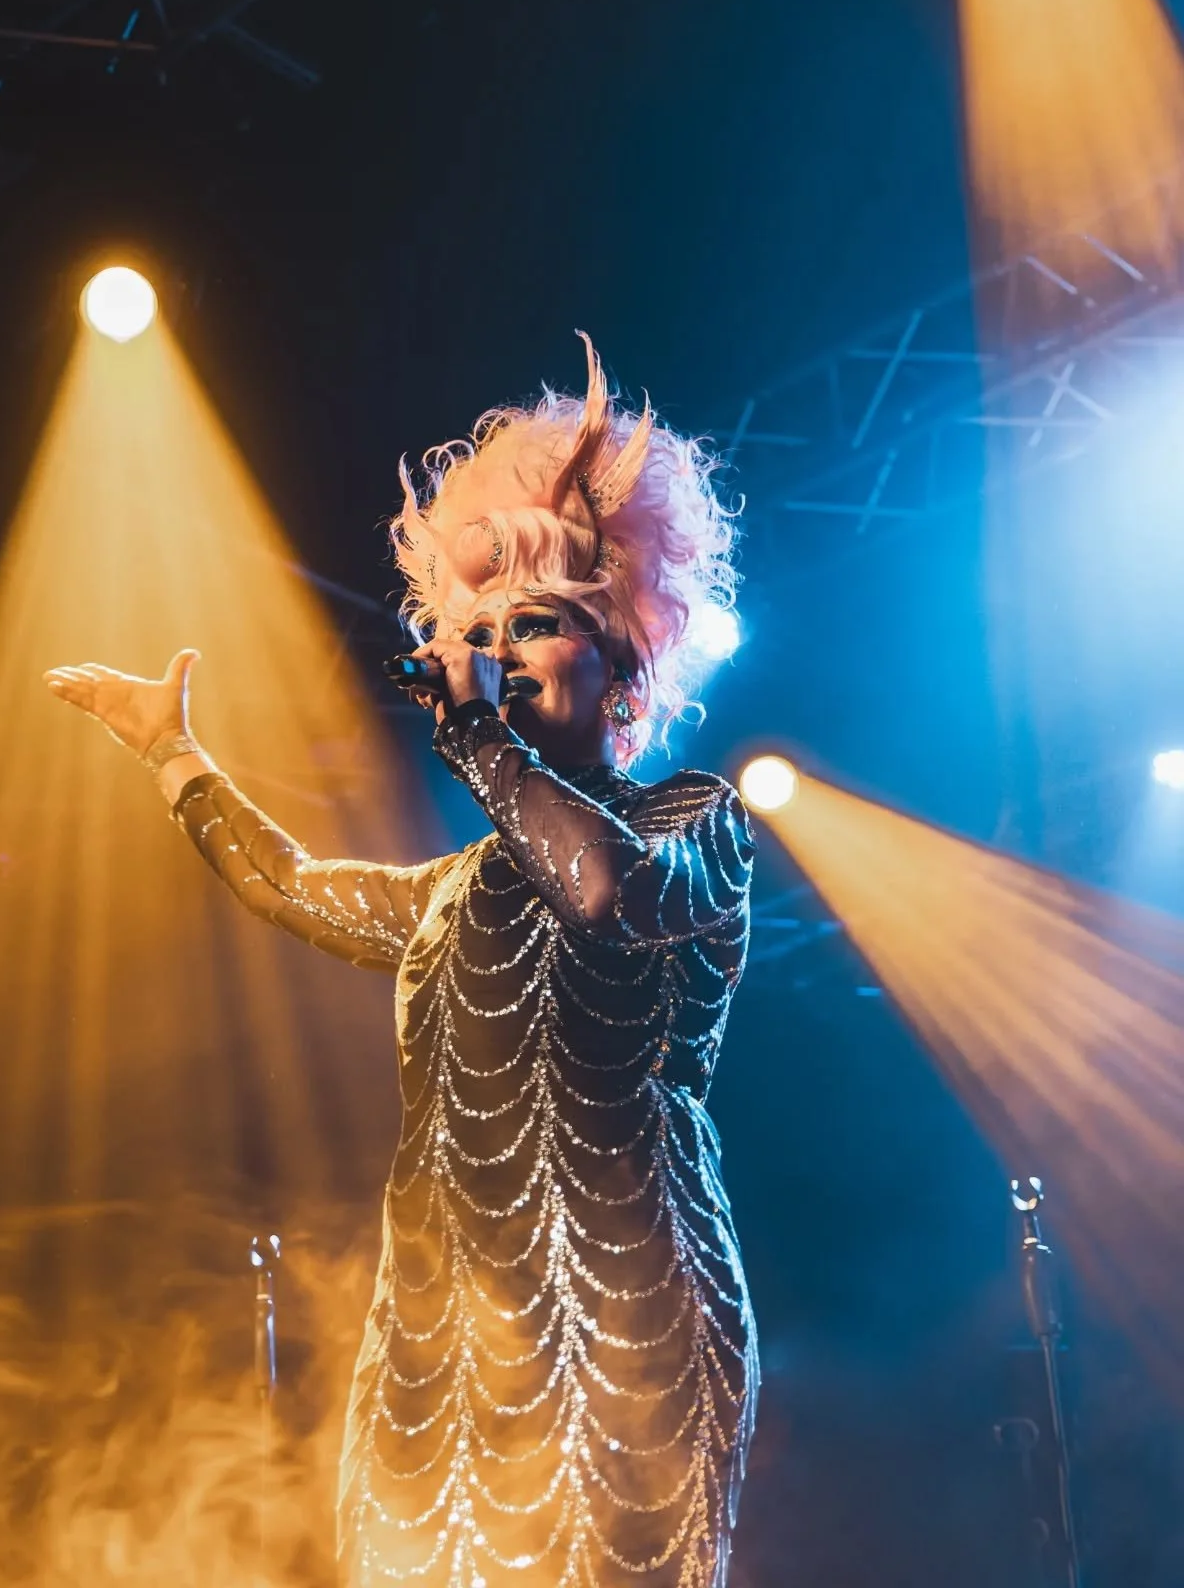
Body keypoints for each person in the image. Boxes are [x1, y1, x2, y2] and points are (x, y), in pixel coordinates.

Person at [44, 336, 758, 1587]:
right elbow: (293, 889)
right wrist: (175, 757)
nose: (502, 648)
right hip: (443, 1330)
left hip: (624, 1313)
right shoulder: (454, 888)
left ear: (624, 666)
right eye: (481, 629)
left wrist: (479, 736)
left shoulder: (692, 821)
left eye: (539, 624)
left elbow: (604, 893)